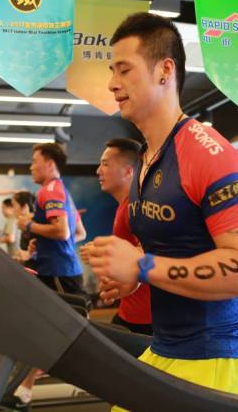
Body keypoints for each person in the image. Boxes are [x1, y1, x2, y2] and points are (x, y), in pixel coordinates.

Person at [87, 13, 238, 402]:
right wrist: (133, 277)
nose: (112, 83)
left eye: (124, 70)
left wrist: (141, 265)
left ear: (164, 71)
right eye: (111, 71)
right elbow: (174, 248)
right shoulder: (146, 161)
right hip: (166, 346)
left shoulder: (209, 154)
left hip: (217, 360)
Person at [5, 143, 87, 410]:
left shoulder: (49, 190)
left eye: (34, 161)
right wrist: (41, 245)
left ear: (49, 164)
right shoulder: (62, 192)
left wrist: (29, 225)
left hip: (59, 274)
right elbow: (79, 233)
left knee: (60, 332)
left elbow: (62, 232)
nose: (31, 166)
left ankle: (26, 387)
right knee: (43, 328)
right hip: (58, 270)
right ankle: (24, 387)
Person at [81, 138, 152, 336]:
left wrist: (104, 252)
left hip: (146, 318)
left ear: (128, 171)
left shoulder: (135, 207)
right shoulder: (125, 206)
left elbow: (154, 251)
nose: (98, 171)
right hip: (130, 312)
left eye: (105, 164)